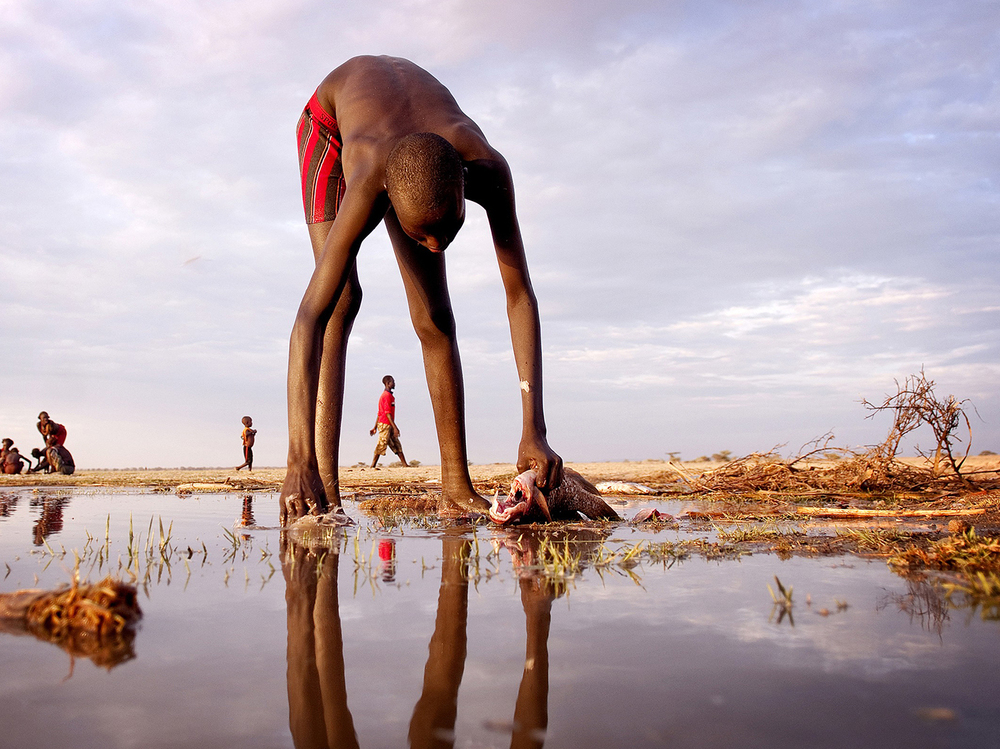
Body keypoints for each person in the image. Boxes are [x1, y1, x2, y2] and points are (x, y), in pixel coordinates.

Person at [281, 55, 563, 522]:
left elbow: (519, 295)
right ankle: (321, 486)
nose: (435, 248)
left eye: (448, 231)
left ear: (463, 187)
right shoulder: (370, 176)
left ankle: (456, 485)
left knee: (435, 318)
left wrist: (534, 426)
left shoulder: (488, 168)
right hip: (329, 127)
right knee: (340, 301)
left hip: (414, 143)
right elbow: (307, 317)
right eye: (420, 236)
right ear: (386, 199)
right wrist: (296, 460)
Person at [370, 375, 408, 468]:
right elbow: (387, 413)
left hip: (387, 423)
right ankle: (372, 466)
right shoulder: (386, 396)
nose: (394, 383)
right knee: (382, 444)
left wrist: (375, 427)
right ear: (388, 383)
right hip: (385, 424)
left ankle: (405, 464)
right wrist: (395, 427)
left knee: (396, 443)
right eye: (393, 382)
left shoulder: (389, 395)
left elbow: (379, 413)